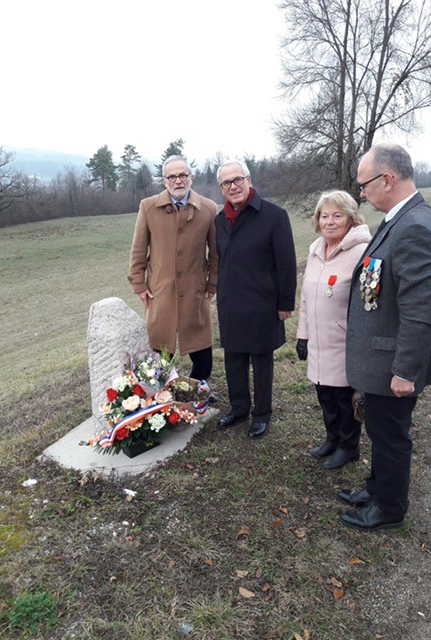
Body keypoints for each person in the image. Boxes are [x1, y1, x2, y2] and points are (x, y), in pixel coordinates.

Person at [338, 143, 431, 531]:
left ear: (387, 179)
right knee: (380, 430)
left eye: (364, 184)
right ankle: (377, 489)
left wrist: (404, 371)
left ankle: (388, 508)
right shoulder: (400, 219)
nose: (362, 192)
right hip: (381, 357)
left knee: (390, 435)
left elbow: (420, 312)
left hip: (393, 363)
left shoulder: (415, 227)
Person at [215, 159, 297, 439]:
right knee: (233, 359)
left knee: (261, 362)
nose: (233, 186)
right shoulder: (219, 221)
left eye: (238, 179)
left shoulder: (274, 215)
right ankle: (239, 408)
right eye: (227, 182)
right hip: (230, 303)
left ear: (249, 180)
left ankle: (261, 414)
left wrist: (285, 303)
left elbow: (286, 263)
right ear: (221, 188)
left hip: (263, 303)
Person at [128, 155, 218, 391]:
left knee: (203, 357)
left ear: (191, 177)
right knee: (159, 355)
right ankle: (161, 397)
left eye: (182, 175)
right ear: (164, 180)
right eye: (172, 176)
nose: (178, 181)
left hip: (195, 291)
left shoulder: (208, 209)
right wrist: (139, 284)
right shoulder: (148, 207)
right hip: (160, 291)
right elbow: (139, 248)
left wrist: (212, 284)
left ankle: (195, 394)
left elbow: (215, 252)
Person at [296, 191, 371, 469]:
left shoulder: (362, 252)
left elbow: (369, 302)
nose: (329, 221)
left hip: (344, 341)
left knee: (344, 398)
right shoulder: (316, 249)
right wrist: (302, 335)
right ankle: (332, 438)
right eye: (324, 216)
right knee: (324, 394)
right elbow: (306, 298)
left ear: (351, 219)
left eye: (337, 216)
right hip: (318, 340)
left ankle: (349, 446)